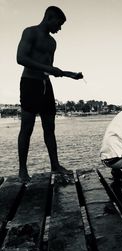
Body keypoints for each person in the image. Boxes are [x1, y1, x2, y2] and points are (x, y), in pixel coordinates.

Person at [16, 6, 83, 183]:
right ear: (49, 17)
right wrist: (50, 69)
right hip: (30, 83)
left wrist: (69, 74)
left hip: (46, 85)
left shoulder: (52, 43)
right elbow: (21, 58)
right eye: (58, 24)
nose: (59, 28)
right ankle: (22, 170)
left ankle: (55, 165)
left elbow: (49, 68)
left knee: (50, 128)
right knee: (27, 128)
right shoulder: (30, 32)